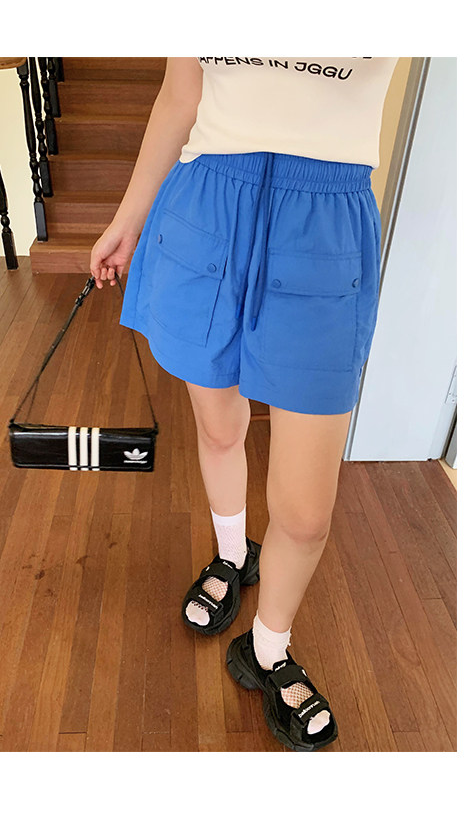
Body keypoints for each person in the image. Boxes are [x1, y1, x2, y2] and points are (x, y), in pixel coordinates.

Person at [90, 54, 398, 747]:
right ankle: (232, 557)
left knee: (306, 515)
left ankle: (268, 648)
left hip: (323, 221)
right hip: (208, 203)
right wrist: (128, 219)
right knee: (219, 428)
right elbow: (180, 95)